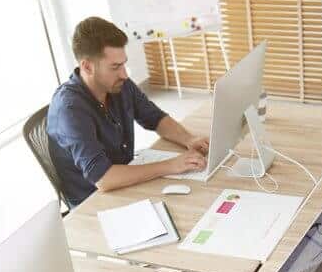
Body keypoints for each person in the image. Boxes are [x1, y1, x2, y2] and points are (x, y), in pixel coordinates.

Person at [47, 17, 210, 207]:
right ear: (87, 66)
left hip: (126, 180)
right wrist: (172, 165)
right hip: (94, 202)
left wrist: (188, 140)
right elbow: (104, 178)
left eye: (123, 64)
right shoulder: (70, 110)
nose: (124, 74)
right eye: (115, 67)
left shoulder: (117, 84)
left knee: (198, 198)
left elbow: (155, 118)